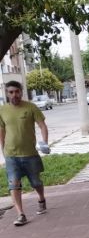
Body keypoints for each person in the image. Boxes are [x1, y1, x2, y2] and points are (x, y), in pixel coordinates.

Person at [0, 80, 50, 227]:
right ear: (7, 93)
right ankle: (21, 214)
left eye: (17, 91)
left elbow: (42, 125)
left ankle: (41, 198)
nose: (14, 95)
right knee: (13, 185)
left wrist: (45, 142)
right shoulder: (2, 110)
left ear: (21, 92)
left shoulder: (31, 107)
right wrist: (3, 151)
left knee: (36, 182)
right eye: (11, 92)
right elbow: (2, 132)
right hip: (11, 156)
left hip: (30, 154)